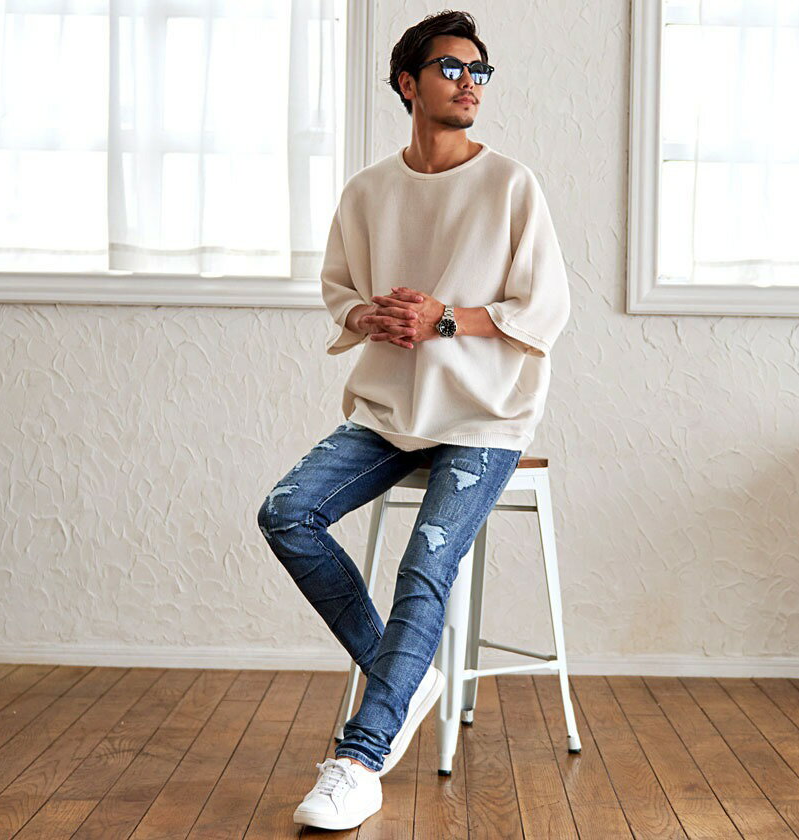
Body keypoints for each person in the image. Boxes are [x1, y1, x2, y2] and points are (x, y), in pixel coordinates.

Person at [257, 9, 571, 832]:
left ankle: (359, 760)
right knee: (286, 513)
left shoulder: (510, 185)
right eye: (451, 68)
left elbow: (545, 309)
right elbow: (340, 291)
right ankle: (405, 672)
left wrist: (443, 319)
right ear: (408, 82)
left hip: (483, 417)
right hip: (389, 411)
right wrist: (371, 318)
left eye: (480, 71)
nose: (471, 83)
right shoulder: (368, 191)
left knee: (424, 564)